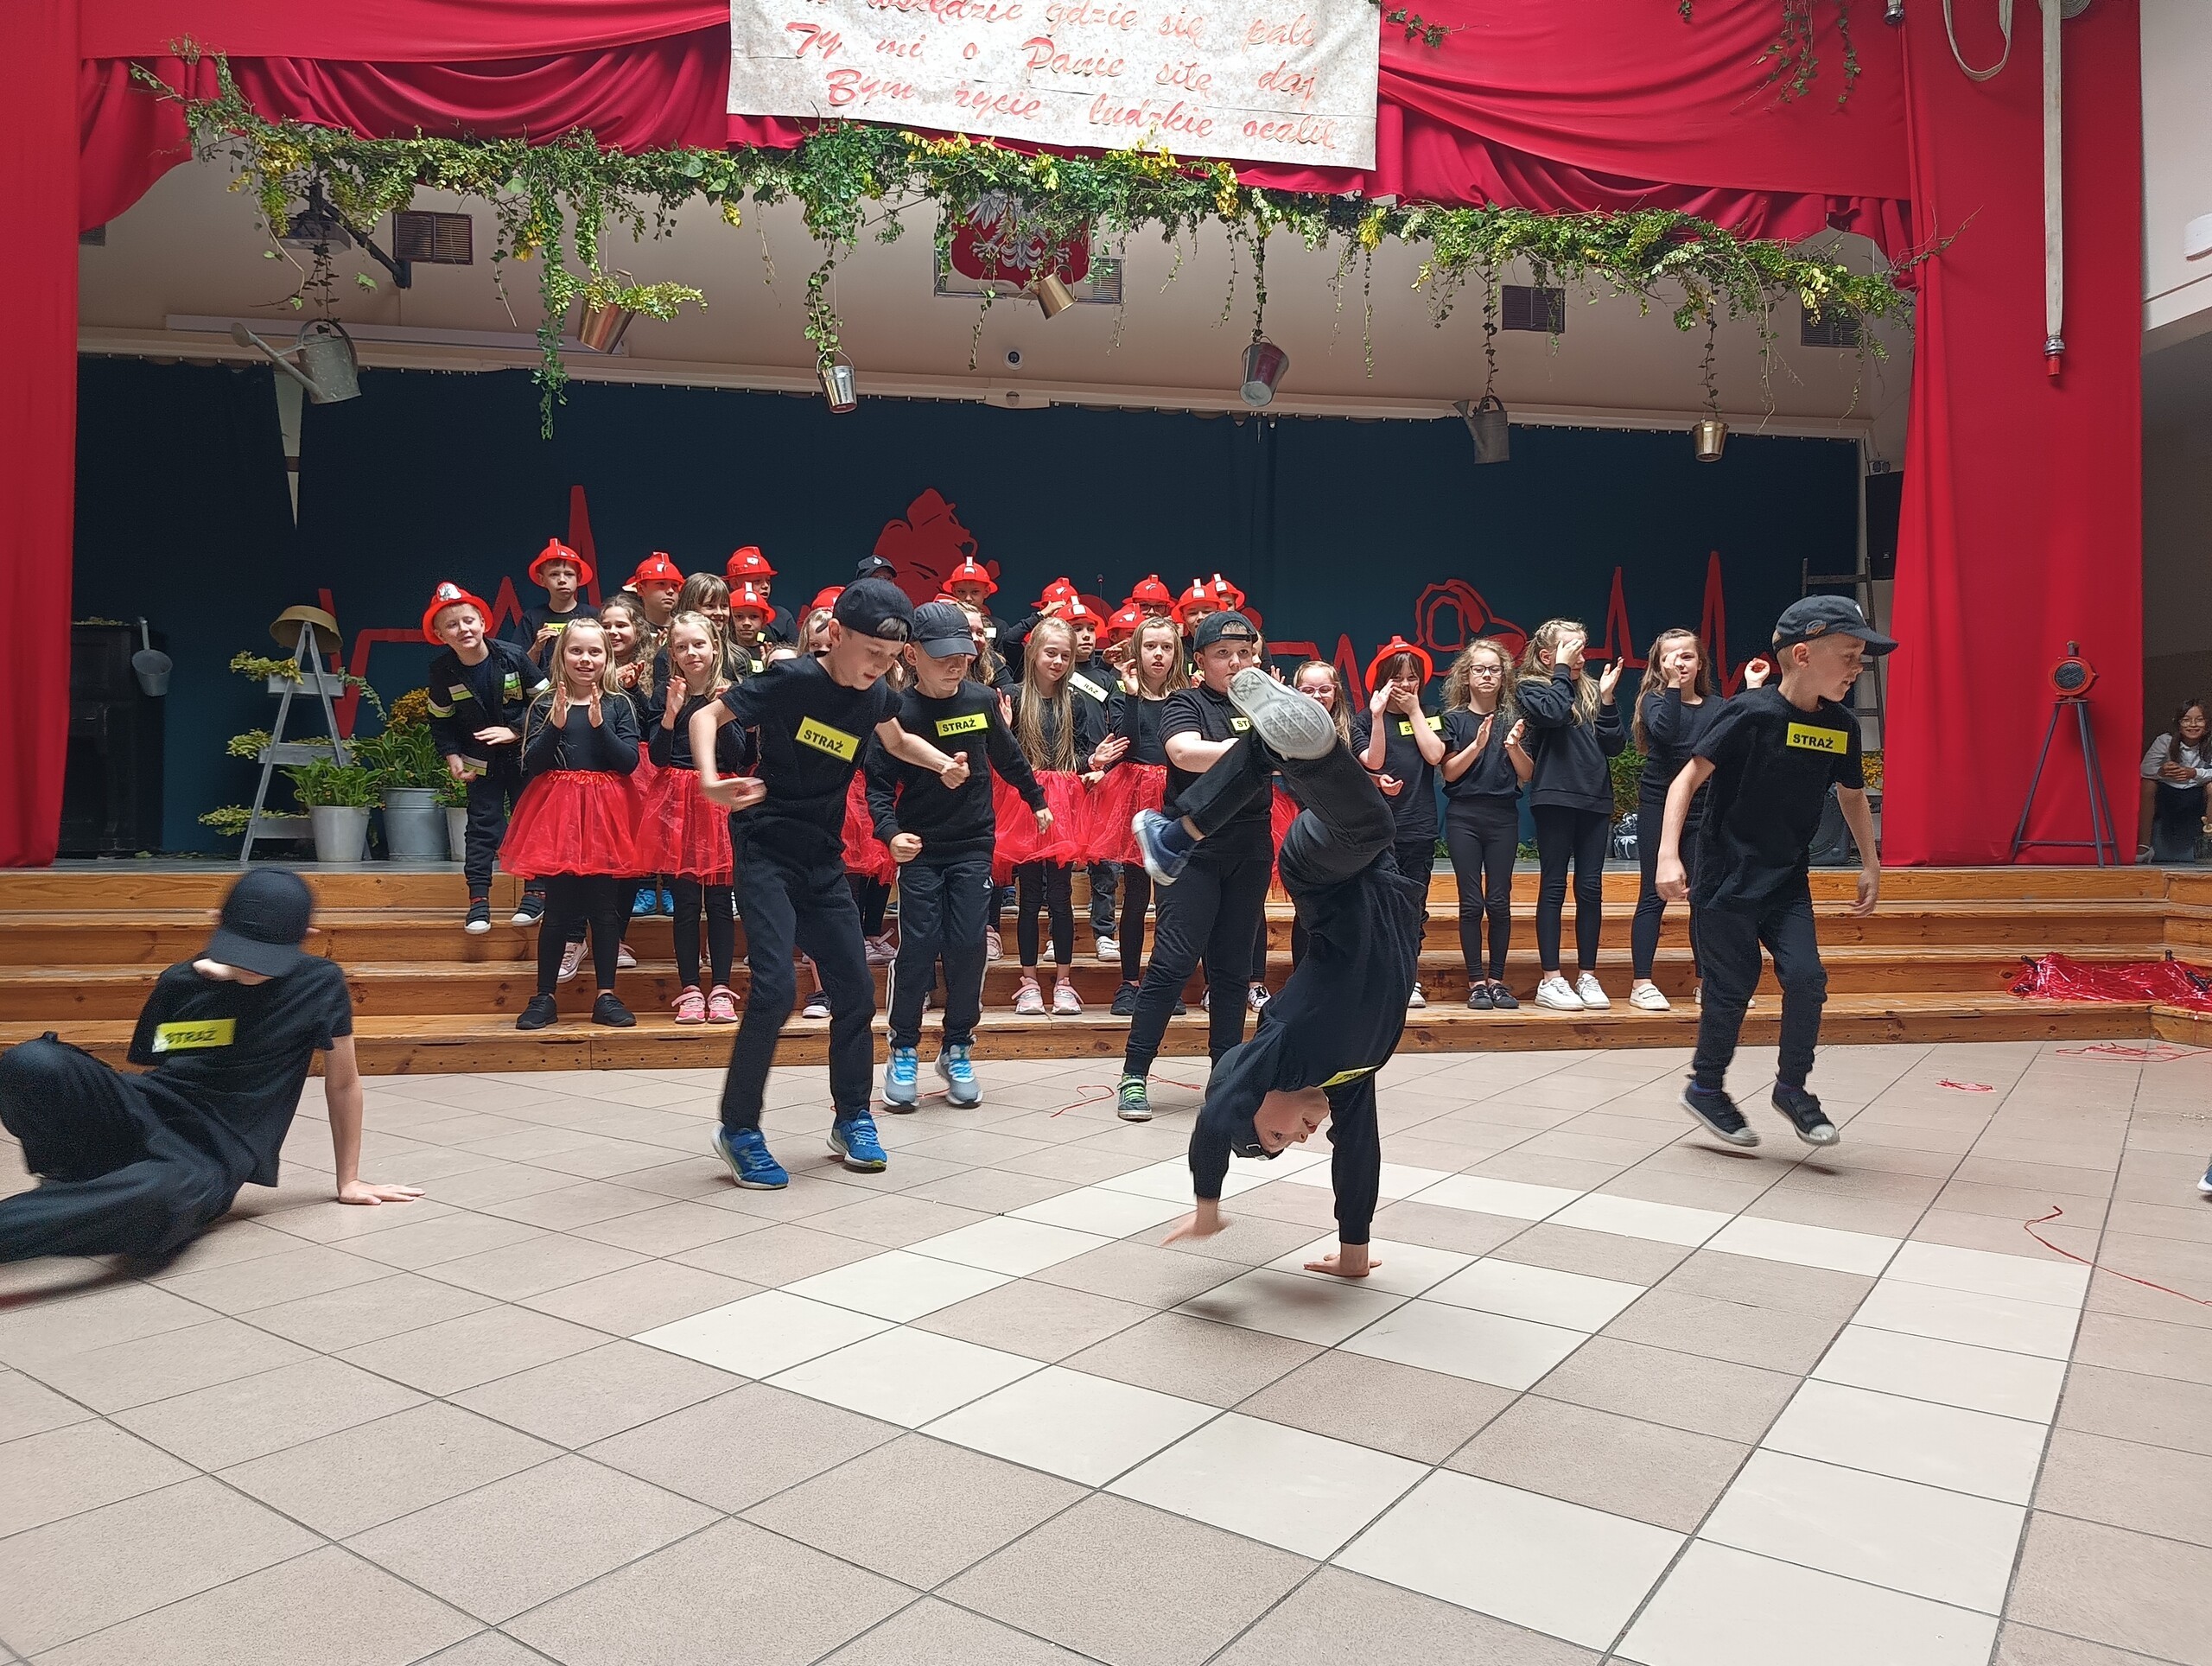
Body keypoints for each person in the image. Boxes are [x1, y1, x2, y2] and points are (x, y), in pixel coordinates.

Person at [689, 578, 974, 1188]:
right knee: (773, 991)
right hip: (766, 849)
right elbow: (708, 716)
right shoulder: (792, 680)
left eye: (891, 656)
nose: (880, 665)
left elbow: (897, 738)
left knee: (856, 994)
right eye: (871, 651)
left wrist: (942, 764)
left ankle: (852, 1118)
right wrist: (710, 781)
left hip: (822, 860)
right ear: (836, 635)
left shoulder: (877, 695)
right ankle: (738, 1129)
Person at [0, 869, 423, 1264]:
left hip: (212, 1154)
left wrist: (348, 1180)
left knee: (159, 1201)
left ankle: (72, 1206)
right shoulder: (181, 981)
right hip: (147, 1111)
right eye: (243, 951)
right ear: (216, 923)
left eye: (267, 957)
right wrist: (202, 990)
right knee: (33, 1060)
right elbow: (156, 1062)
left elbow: (343, 1084)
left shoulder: (320, 984)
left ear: (305, 937)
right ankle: (72, 1181)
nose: (253, 966)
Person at [1153, 670, 1421, 1277]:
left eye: (1275, 1138)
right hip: (1377, 876)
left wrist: (1206, 1204)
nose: (1300, 1138)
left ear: (1258, 1099)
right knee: (1286, 758)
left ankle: (1300, 754)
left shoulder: (1282, 1049)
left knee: (1368, 820)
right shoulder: (1346, 1077)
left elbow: (1216, 1114)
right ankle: (1203, 810)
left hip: (1320, 877)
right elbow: (1359, 1153)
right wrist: (1354, 1255)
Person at [1657, 595, 1893, 1148]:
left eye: (1861, 658)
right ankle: (1706, 1087)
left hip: (1786, 879)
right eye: (1849, 655)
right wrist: (1669, 854)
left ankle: (1792, 1088)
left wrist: (1871, 862)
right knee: (1732, 986)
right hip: (1725, 876)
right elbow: (1685, 780)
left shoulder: (1840, 725)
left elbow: (1852, 794)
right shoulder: (1750, 713)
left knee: (1807, 979)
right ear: (1803, 654)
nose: (1858, 668)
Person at [868, 601, 1052, 1108]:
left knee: (970, 945)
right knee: (919, 945)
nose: (955, 665)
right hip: (920, 850)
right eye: (943, 656)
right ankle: (903, 1047)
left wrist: (1036, 799)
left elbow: (1008, 756)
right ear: (911, 655)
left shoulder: (981, 699)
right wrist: (890, 835)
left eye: (964, 655)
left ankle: (957, 1047)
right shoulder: (896, 712)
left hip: (973, 844)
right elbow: (877, 788)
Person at [1116, 610, 1278, 1122]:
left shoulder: (1268, 707)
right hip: (1193, 852)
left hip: (1251, 849)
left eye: (1244, 653)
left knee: (1232, 970)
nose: (1235, 662)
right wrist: (1254, 748)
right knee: (1172, 963)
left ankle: (1223, 1077)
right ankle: (1134, 1074)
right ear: (1201, 661)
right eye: (1222, 654)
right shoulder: (1186, 703)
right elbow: (1184, 753)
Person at [505, 619, 645, 1031]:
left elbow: (628, 762)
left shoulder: (619, 704)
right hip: (559, 816)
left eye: (594, 652)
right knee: (558, 910)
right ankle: (544, 996)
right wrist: (557, 724)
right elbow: (533, 763)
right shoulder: (545, 704)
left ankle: (606, 995)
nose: (585, 659)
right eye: (576, 651)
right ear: (561, 656)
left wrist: (600, 727)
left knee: (604, 910)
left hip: (605, 816)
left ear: (607, 657)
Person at [1629, 632, 1770, 1011]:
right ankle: (1642, 983)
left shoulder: (1717, 706)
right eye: (1670, 657)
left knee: (1703, 897)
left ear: (1701, 663)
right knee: (1653, 894)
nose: (1680, 662)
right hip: (1660, 807)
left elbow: (1743, 732)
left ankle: (1707, 982)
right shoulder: (1654, 701)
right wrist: (1674, 686)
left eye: (1688, 656)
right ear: (1659, 665)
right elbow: (1666, 732)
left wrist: (1753, 688)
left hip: (1705, 810)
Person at [1006, 618, 1121, 1015]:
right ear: (1033, 652)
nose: (1057, 661)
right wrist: (1005, 731)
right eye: (1050, 653)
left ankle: (1064, 983)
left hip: (1063, 803)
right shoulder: (1013, 697)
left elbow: (1077, 757)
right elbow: (1003, 757)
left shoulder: (1074, 701)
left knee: (1060, 895)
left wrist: (1093, 761)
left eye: (1065, 656)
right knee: (1028, 896)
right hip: (1025, 801)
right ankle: (1028, 982)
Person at [423, 581, 551, 935]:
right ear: (440, 635)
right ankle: (478, 901)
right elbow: (441, 719)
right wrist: (451, 754)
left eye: (468, 620)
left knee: (532, 824)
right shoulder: (442, 671)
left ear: (482, 622)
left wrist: (516, 731)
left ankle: (536, 892)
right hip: (480, 765)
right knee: (482, 829)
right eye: (452, 625)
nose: (463, 629)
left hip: (525, 758)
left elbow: (548, 703)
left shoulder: (513, 656)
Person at [641, 611, 748, 1026]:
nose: (691, 653)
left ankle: (720, 988)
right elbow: (658, 756)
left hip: (717, 798)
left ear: (715, 646)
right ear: (672, 653)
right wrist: (670, 714)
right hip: (678, 804)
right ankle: (689, 988)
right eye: (682, 646)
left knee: (720, 902)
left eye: (699, 644)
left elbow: (738, 755)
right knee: (685, 903)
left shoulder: (730, 692)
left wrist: (726, 712)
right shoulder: (666, 692)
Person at [1516, 619, 1626, 1011]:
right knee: (1554, 886)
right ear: (1547, 656)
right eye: (1569, 650)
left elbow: (1614, 745)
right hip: (1555, 797)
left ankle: (1588, 975)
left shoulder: (1591, 690)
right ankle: (1551, 979)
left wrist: (1607, 698)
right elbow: (1554, 714)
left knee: (1591, 888)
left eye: (1581, 650)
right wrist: (1562, 671)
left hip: (1595, 798)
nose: (1579, 657)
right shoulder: (1532, 686)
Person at [1096, 617, 1185, 1015]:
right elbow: (1127, 744)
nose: (1158, 655)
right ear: (1137, 651)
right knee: (1135, 895)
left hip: (1176, 795)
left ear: (1177, 653)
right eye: (1150, 647)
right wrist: (1132, 695)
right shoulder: (1121, 695)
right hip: (1136, 795)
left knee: (1172, 899)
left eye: (1166, 647)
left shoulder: (1186, 697)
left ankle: (1166, 983)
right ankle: (1129, 982)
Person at [1439, 639, 1531, 1011]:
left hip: (1503, 816)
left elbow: (1528, 773)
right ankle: (1476, 981)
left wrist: (1513, 746)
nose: (1487, 675)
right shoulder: (1453, 719)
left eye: (1494, 669)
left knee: (1499, 900)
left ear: (1504, 675)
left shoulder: (1516, 720)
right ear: (1466, 675)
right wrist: (1476, 745)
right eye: (1479, 669)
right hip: (1463, 816)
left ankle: (1497, 980)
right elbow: (1448, 772)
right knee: (1471, 901)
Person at [1354, 637, 1446, 1009]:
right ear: (1382, 680)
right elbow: (1373, 762)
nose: (1406, 685)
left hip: (1419, 827)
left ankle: (1408, 976)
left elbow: (1435, 754)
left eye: (1412, 678)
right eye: (1398, 678)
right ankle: (1378, 977)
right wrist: (1378, 716)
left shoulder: (1430, 714)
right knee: (1377, 904)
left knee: (1413, 906)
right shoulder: (1364, 718)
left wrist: (1414, 712)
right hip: (1378, 830)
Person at [2139, 698, 2212, 864]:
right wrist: (2163, 771)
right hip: (2168, 790)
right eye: (2186, 720)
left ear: (2207, 724)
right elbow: (2144, 769)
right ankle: (2144, 846)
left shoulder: (2210, 743)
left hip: (2197, 790)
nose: (2193, 725)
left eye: (2199, 720)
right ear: (2178, 723)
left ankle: (2209, 843)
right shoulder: (2165, 741)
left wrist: (2194, 773)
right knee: (2148, 784)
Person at [518, 537, 599, 669]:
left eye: (569, 574)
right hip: (544, 682)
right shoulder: (531, 618)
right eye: (554, 574)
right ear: (542, 579)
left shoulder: (594, 615)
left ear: (578, 578)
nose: (562, 580)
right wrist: (536, 648)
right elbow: (520, 667)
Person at [725, 545, 799, 645]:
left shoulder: (782, 616)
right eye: (757, 581)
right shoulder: (723, 614)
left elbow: (797, 651)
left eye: (768, 580)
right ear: (734, 583)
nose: (765, 586)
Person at [626, 552, 685, 637]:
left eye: (675, 585)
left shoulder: (687, 628)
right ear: (640, 589)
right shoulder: (629, 630)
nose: (671, 591)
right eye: (661, 583)